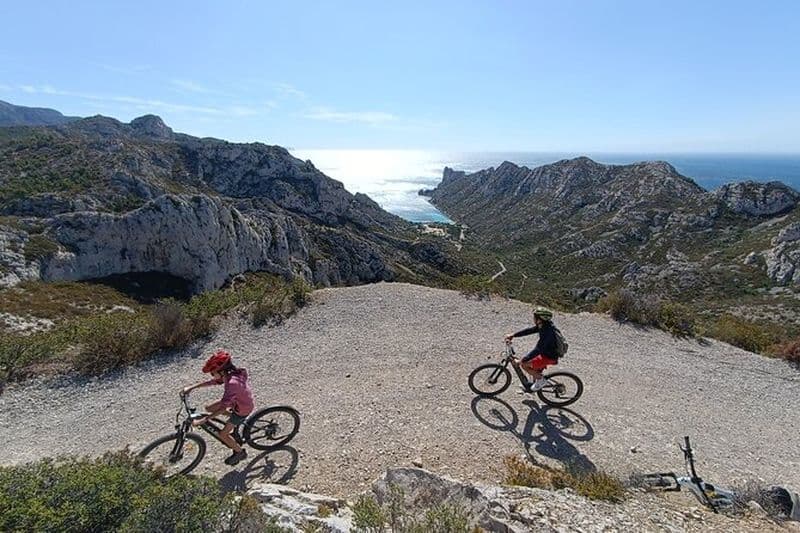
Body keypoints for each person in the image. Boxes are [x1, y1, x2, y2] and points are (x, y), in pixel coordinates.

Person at [181, 350, 254, 465]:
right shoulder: (231, 374)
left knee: (222, 434)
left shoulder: (232, 383)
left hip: (242, 409)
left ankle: (240, 452)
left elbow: (222, 408)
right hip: (238, 400)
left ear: (221, 371)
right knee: (209, 408)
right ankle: (234, 419)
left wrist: (204, 420)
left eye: (212, 373)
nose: (212, 375)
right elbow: (214, 382)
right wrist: (192, 387)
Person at [504, 306, 559, 391]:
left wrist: (523, 360)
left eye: (535, 317)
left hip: (549, 356)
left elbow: (539, 349)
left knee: (524, 364)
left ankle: (541, 380)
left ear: (540, 319)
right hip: (545, 353)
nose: (533, 318)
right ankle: (531, 385)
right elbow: (529, 330)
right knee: (531, 364)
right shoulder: (544, 325)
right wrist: (514, 335)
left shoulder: (548, 331)